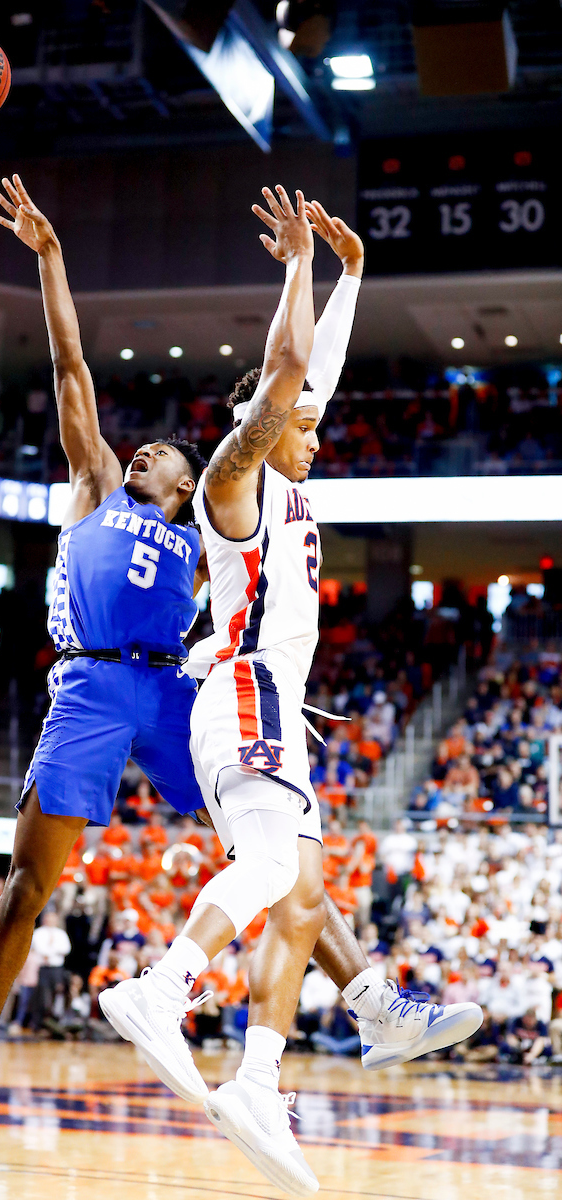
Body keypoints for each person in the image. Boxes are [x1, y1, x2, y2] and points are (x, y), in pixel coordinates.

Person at [98, 192, 481, 1195]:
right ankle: (161, 984)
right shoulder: (237, 483)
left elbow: (311, 375)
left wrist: (351, 277)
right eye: (301, 419)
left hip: (271, 705)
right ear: (261, 423)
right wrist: (298, 267)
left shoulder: (292, 477)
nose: (318, 424)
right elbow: (284, 378)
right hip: (245, 692)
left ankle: (280, 1066)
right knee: (275, 865)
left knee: (301, 894)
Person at [0, 172, 208, 1144]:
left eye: (165, 452)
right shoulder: (94, 483)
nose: (146, 453)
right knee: (26, 882)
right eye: (146, 449)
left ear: (188, 481)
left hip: (168, 688)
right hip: (90, 682)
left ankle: (251, 1031)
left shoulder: (208, 538)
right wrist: (49, 256)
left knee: (270, 832)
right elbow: (68, 365)